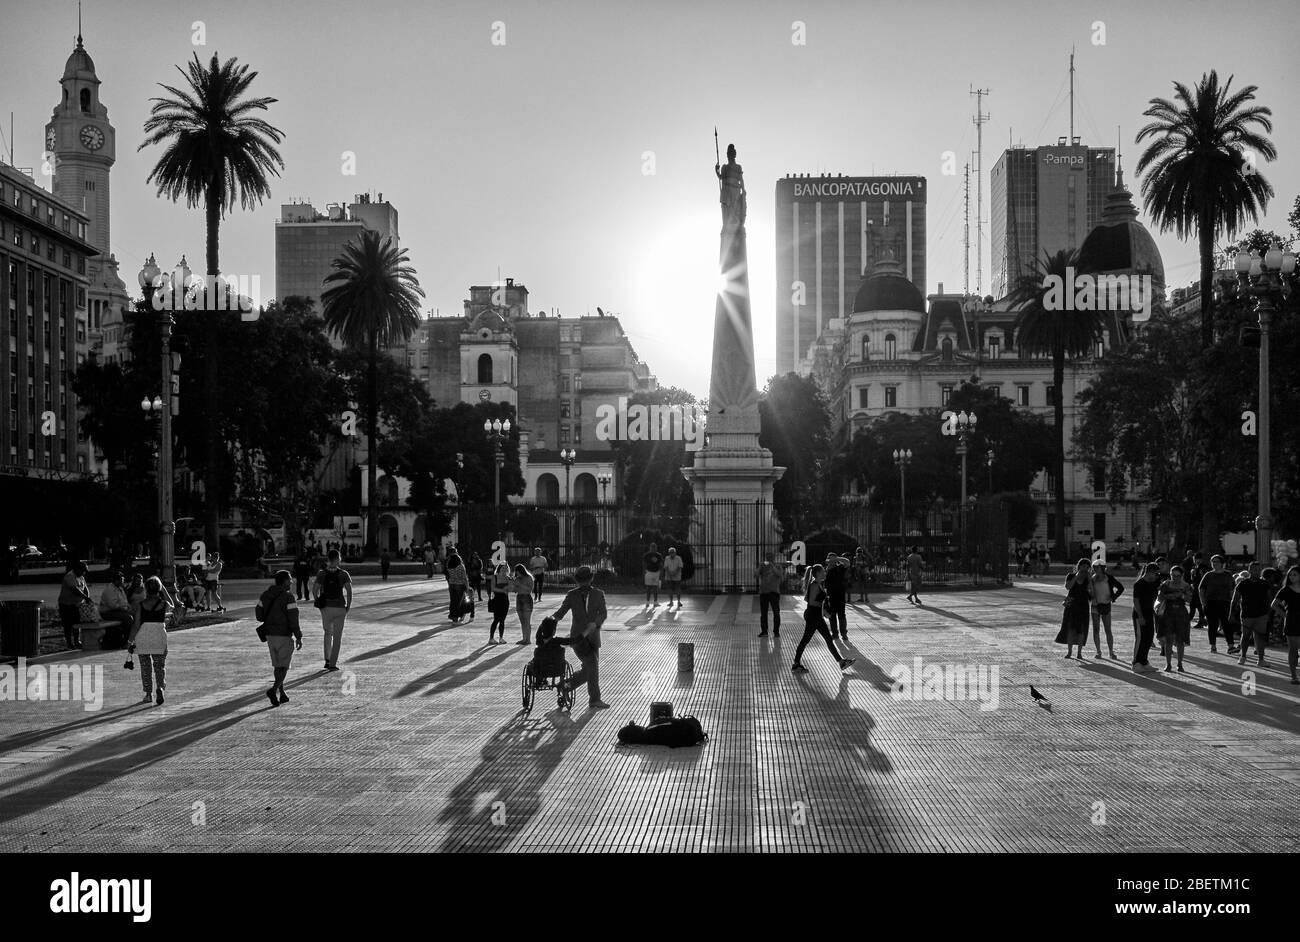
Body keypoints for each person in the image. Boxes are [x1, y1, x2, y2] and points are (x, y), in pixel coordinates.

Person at [554, 566, 610, 709]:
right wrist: (551, 620)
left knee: (589, 671)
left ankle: (566, 685)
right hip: (578, 638)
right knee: (592, 666)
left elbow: (603, 613)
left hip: (593, 637)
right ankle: (594, 699)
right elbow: (561, 612)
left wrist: (595, 623)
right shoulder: (572, 595)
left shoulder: (598, 594)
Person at [792, 564, 855, 673]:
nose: (825, 573)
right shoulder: (814, 585)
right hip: (813, 616)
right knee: (806, 640)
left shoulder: (819, 584)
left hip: (816, 616)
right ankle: (796, 664)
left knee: (827, 640)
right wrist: (825, 605)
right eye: (822, 572)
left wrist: (825, 610)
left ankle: (841, 662)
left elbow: (814, 601)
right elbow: (811, 602)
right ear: (817, 574)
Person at [257, 569, 303, 706]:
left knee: (278, 666)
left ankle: (282, 693)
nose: (292, 581)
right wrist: (299, 636)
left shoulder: (266, 595)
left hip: (270, 635)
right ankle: (274, 690)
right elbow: (293, 618)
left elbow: (259, 615)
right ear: (284, 582)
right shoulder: (289, 597)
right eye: (289, 579)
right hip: (283, 635)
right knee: (284, 666)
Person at [127, 577, 173, 705]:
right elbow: (173, 606)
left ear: (146, 589)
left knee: (145, 667)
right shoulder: (165, 604)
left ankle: (148, 694)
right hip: (159, 636)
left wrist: (130, 640)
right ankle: (160, 687)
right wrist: (163, 591)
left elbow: (136, 624)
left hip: (143, 637)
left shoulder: (141, 605)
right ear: (159, 589)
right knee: (160, 666)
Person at [312, 548, 353, 671]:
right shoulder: (343, 574)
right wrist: (348, 607)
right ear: (339, 559)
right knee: (337, 636)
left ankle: (327, 659)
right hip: (340, 607)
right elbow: (349, 592)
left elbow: (315, 590)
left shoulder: (322, 573)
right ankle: (333, 663)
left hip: (326, 608)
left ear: (328, 559)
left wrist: (319, 602)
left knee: (327, 633)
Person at [1234, 562, 1272, 667]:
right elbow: (1235, 599)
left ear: (1260, 570)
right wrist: (1231, 613)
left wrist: (1268, 613)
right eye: (1253, 569)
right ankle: (1243, 656)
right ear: (1249, 570)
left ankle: (1261, 659)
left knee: (1260, 637)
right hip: (1247, 614)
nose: (1255, 571)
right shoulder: (1243, 583)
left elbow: (1269, 599)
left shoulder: (1265, 583)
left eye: (1257, 569)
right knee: (1245, 636)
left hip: (1262, 615)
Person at [1156, 565, 1193, 672]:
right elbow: (1159, 597)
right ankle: (1168, 664)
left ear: (1182, 575)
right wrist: (1169, 596)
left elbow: (1189, 600)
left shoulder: (1186, 586)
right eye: (1173, 575)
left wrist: (1181, 596)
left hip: (1181, 614)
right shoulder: (1166, 584)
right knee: (1169, 640)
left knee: (1180, 641)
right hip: (1168, 613)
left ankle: (1180, 664)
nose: (1175, 578)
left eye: (1178, 576)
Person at [1197, 554, 1235, 654]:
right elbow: (1201, 589)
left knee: (1227, 625)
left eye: (1217, 561)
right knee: (1212, 625)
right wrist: (1203, 603)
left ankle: (1231, 646)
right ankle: (1213, 645)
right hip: (1211, 603)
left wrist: (1233, 602)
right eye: (1213, 562)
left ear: (1222, 563)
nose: (1215, 564)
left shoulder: (1228, 575)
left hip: (1225, 603)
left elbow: (1232, 589)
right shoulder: (1208, 575)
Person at [1056, 559, 1093, 659]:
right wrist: (1076, 576)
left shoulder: (1088, 578)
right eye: (1083, 566)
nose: (1084, 568)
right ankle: (1069, 652)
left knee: (1081, 630)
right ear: (1079, 566)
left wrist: (1089, 579)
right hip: (1072, 605)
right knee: (1070, 629)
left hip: (1083, 606)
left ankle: (1079, 653)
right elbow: (1068, 587)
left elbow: (1092, 592)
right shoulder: (1071, 576)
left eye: (1087, 567)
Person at [1088, 560, 1124, 659]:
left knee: (1108, 629)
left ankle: (1111, 652)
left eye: (1097, 567)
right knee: (1096, 629)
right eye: (1094, 567)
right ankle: (1098, 651)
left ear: (1103, 568)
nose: (1095, 569)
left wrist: (1113, 597)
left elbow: (1120, 588)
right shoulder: (1091, 579)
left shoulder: (1109, 578)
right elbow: (1088, 593)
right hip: (1095, 606)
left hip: (1106, 605)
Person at [1270, 566, 1300, 684]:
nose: (1292, 577)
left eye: (1295, 574)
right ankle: (1294, 676)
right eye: (1290, 575)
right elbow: (1273, 605)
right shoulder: (1285, 590)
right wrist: (1285, 615)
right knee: (1293, 649)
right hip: (1292, 621)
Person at [1131, 563, 1161, 672]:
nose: (1157, 576)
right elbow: (1136, 601)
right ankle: (1136, 663)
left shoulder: (1154, 583)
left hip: (1149, 613)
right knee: (1140, 638)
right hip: (1139, 614)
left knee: (1148, 638)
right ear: (1149, 572)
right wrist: (1140, 616)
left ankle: (1144, 661)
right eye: (1155, 573)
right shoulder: (1139, 584)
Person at [57, 560, 92, 649]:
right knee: (68, 624)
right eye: (83, 570)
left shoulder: (81, 577)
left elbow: (85, 588)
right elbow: (75, 590)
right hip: (66, 604)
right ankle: (69, 643)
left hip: (77, 604)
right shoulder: (70, 576)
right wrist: (85, 597)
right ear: (77, 569)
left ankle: (77, 641)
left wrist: (87, 597)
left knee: (77, 623)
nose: (84, 573)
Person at [97, 569, 135, 649]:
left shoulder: (120, 589)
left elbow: (125, 602)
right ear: (115, 580)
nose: (122, 582)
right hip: (108, 612)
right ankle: (126, 641)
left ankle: (133, 639)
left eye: (123, 580)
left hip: (118, 611)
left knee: (136, 615)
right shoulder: (109, 589)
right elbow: (113, 605)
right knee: (128, 618)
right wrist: (125, 610)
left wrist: (130, 608)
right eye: (121, 580)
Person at [823, 554, 849, 640]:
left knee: (841, 615)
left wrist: (837, 558)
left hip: (840, 595)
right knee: (832, 616)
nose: (830, 561)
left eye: (832, 559)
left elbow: (847, 562)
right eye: (829, 559)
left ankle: (844, 633)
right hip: (830, 596)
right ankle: (835, 634)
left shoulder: (840, 567)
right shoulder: (826, 570)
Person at [757, 552, 783, 637]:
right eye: (767, 557)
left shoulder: (777, 566)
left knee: (776, 612)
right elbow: (756, 574)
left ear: (773, 558)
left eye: (770, 557)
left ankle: (776, 631)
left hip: (774, 592)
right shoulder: (762, 565)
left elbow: (779, 574)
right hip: (764, 592)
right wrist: (760, 568)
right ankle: (764, 631)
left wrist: (772, 566)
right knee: (763, 613)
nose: (768, 559)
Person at [511, 564, 536, 644]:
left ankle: (528, 640)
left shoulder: (529, 577)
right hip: (519, 598)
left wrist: (520, 585)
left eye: (517, 572)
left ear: (521, 571)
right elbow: (514, 590)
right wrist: (514, 585)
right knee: (522, 621)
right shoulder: (517, 578)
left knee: (527, 621)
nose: (516, 574)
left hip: (527, 599)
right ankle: (524, 638)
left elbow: (529, 590)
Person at [488, 562, 512, 644]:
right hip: (497, 600)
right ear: (499, 569)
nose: (504, 570)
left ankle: (501, 638)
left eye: (505, 568)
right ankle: (491, 638)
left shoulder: (508, 578)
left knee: (503, 620)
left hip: (505, 600)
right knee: (496, 619)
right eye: (502, 568)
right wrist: (503, 590)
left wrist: (509, 587)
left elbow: (511, 588)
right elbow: (493, 588)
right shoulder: (495, 577)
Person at [445, 552, 471, 623]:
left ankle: (453, 617)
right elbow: (464, 577)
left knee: (453, 601)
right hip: (459, 585)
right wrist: (467, 586)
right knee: (459, 602)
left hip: (451, 585)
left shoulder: (449, 566)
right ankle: (457, 616)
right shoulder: (460, 566)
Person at [643, 542, 663, 607]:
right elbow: (644, 564)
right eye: (652, 547)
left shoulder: (659, 555)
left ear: (656, 548)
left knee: (655, 588)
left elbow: (661, 565)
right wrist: (644, 572)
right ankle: (647, 602)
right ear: (650, 548)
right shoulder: (646, 555)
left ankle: (655, 602)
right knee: (648, 588)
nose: (653, 548)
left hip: (656, 572)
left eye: (654, 547)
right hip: (648, 572)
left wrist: (661, 573)